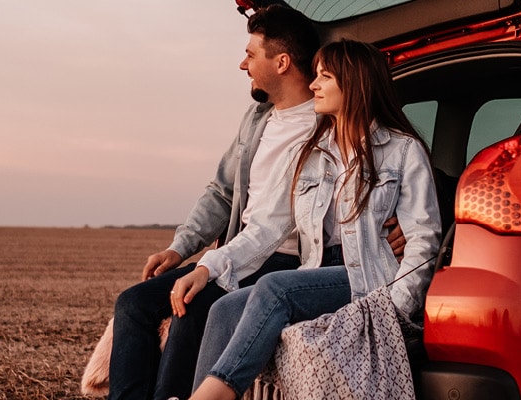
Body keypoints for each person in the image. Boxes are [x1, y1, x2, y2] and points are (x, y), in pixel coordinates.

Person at [106, 7, 405, 400]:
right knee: (131, 304)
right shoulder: (256, 119)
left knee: (192, 310)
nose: (242, 63)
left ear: (281, 62)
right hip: (240, 247)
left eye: (251, 54)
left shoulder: (326, 130)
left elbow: (390, 163)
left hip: (281, 258)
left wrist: (394, 219)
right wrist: (181, 247)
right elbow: (221, 191)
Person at [178, 39, 442, 400]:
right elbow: (268, 228)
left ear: (354, 84)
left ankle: (214, 395)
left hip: (368, 277)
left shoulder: (402, 151)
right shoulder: (312, 154)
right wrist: (208, 267)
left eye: (324, 77)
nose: (313, 85)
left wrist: (395, 307)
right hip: (318, 272)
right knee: (225, 308)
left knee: (276, 289)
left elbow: (423, 239)